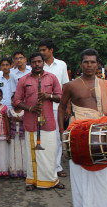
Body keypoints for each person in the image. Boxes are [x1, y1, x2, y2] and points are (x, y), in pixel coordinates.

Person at [58, 49, 107, 207]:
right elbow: (62, 108)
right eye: (86, 62)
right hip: (78, 134)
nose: (89, 65)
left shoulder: (106, 85)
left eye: (92, 62)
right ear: (81, 64)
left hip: (102, 132)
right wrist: (62, 132)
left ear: (97, 64)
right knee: (81, 176)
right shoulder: (71, 85)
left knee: (106, 177)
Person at [13, 52, 63, 191]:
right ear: (30, 63)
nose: (37, 64)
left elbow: (60, 96)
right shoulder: (23, 80)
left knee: (50, 152)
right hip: (31, 122)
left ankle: (52, 180)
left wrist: (49, 96)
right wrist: (30, 108)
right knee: (32, 153)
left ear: (43, 62)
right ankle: (32, 181)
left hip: (48, 122)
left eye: (39, 62)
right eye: (34, 62)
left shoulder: (52, 78)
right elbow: (16, 101)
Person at [39, 38, 70, 178]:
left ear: (51, 50)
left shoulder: (61, 65)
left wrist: (68, 106)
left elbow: (66, 87)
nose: (42, 53)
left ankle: (57, 166)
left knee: (57, 137)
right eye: (40, 50)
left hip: (58, 107)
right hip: (42, 108)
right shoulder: (38, 65)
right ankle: (44, 166)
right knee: (43, 136)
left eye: (44, 50)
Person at [8, 94, 27, 178]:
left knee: (23, 153)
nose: (14, 102)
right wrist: (8, 135)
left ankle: (24, 171)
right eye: (13, 100)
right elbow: (7, 124)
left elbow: (29, 123)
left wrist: (21, 120)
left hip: (23, 136)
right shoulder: (9, 112)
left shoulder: (25, 112)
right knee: (14, 154)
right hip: (13, 136)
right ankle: (15, 171)